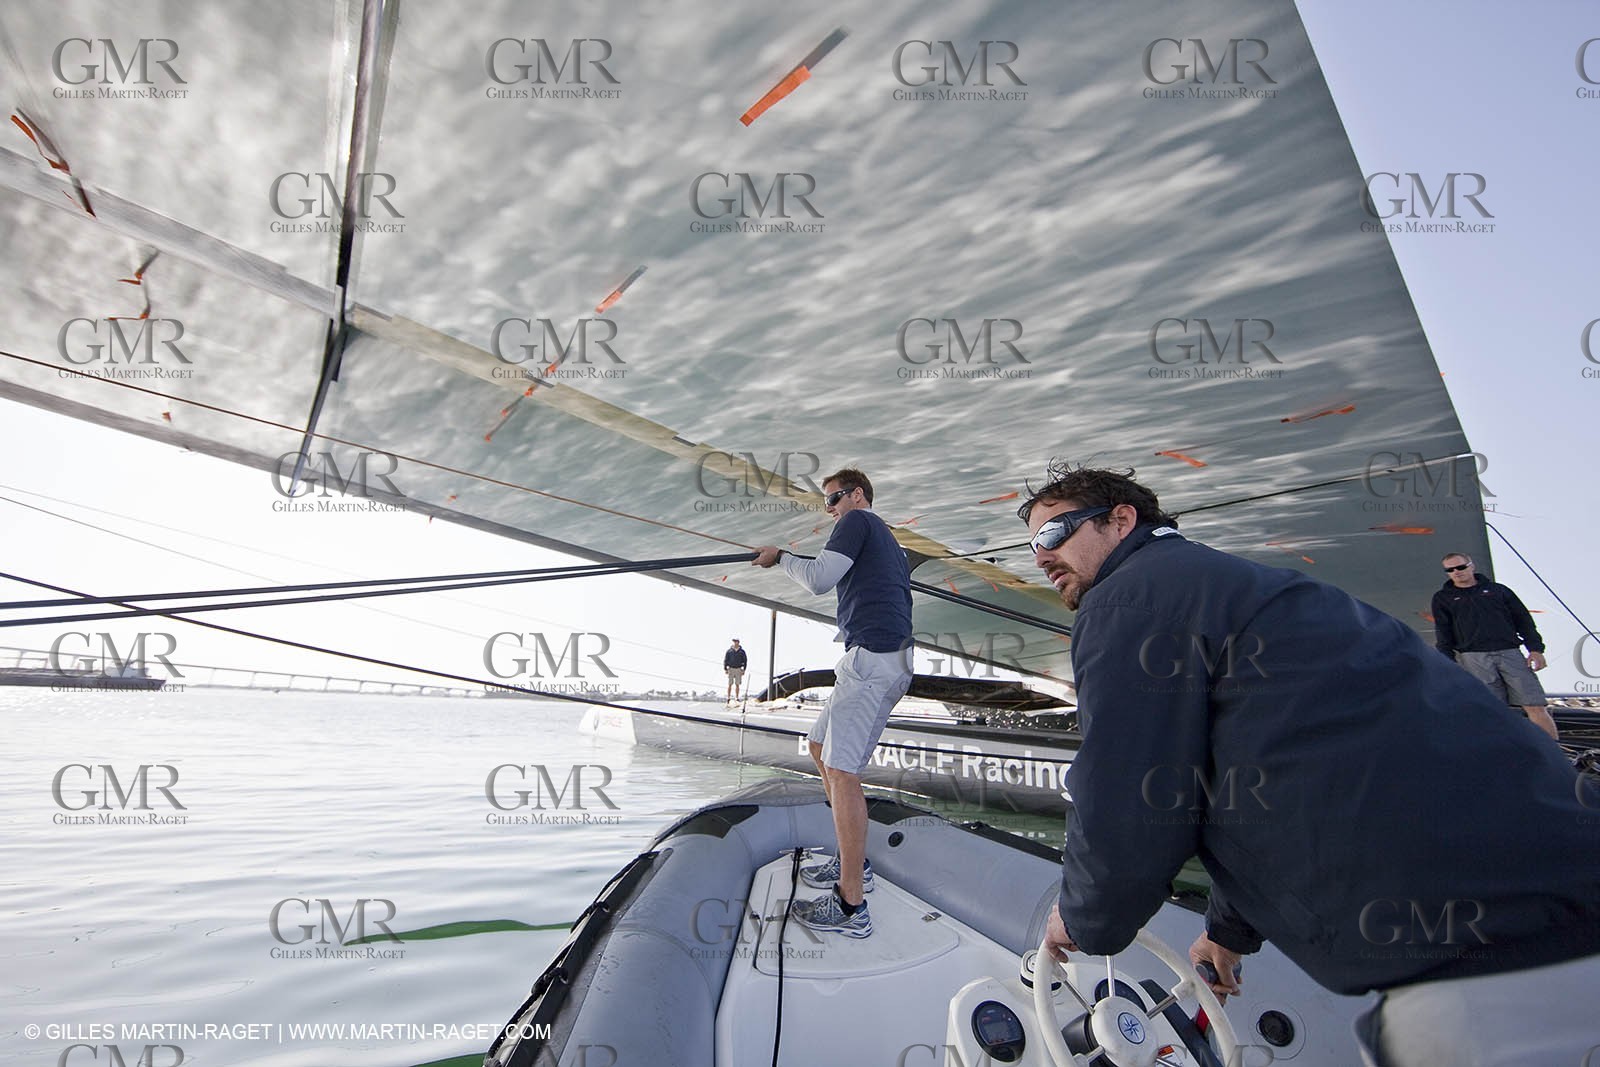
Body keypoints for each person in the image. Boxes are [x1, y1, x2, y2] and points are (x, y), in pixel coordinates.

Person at [1022, 462, 1599, 1067]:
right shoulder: (1250, 588)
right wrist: (1228, 932)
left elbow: (1131, 790)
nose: (1040, 557)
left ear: (1121, 519)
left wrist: (1085, 916)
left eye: (1054, 534)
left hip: (1480, 962)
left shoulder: (1128, 599)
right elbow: (1293, 761)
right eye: (1032, 544)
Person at [753, 467, 912, 937]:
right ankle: (852, 864)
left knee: (842, 772)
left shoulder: (859, 521)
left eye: (835, 498)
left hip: (872, 661)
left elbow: (821, 579)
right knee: (820, 747)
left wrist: (780, 557)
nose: (830, 509)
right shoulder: (885, 539)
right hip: (876, 659)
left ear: (857, 495)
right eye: (827, 502)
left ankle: (850, 906)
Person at [1432, 552, 1557, 740]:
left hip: (1509, 651)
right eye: (1450, 570)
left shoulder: (1498, 591)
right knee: (1492, 710)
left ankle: (1554, 753)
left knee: (1534, 704)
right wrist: (1447, 663)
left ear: (1471, 566)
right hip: (1473, 657)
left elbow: (1523, 620)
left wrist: (1536, 649)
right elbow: (1443, 632)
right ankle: (1503, 757)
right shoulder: (1443, 598)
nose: (1456, 572)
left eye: (1461, 567)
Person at [723, 638, 748, 704]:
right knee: (730, 684)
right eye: (734, 641)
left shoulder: (742, 651)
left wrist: (744, 669)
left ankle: (736, 697)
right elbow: (726, 659)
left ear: (738, 642)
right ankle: (728, 697)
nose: (735, 643)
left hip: (738, 668)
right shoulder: (729, 651)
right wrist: (725, 668)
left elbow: (745, 661)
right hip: (731, 668)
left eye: (736, 641)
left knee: (737, 684)